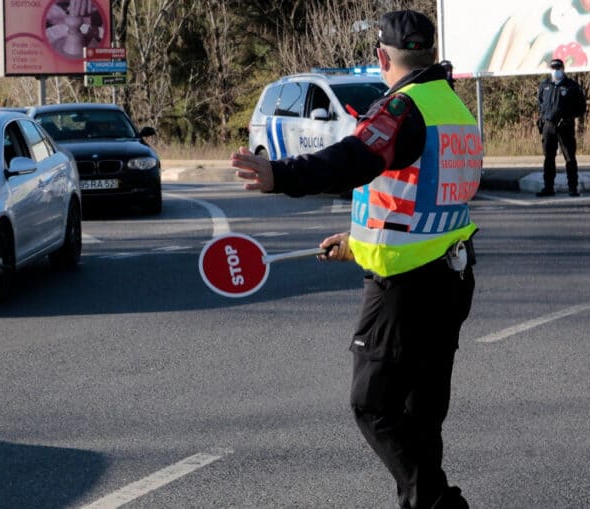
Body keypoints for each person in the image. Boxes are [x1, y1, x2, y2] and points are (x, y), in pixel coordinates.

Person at [231, 10, 480, 509]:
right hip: (450, 276)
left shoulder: (402, 109)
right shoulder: (453, 107)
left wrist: (281, 175)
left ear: (382, 57)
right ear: (431, 53)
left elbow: (354, 159)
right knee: (419, 416)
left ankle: (437, 504)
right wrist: (355, 240)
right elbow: (424, 201)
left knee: (373, 404)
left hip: (404, 288)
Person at [536, 58, 587, 197]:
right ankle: (548, 187)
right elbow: (540, 103)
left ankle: (572, 187)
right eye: (553, 68)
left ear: (563, 69)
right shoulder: (545, 85)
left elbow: (581, 107)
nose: (556, 71)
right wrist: (544, 117)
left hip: (565, 126)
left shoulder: (571, 86)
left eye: (558, 68)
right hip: (548, 126)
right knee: (548, 158)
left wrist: (569, 117)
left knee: (569, 158)